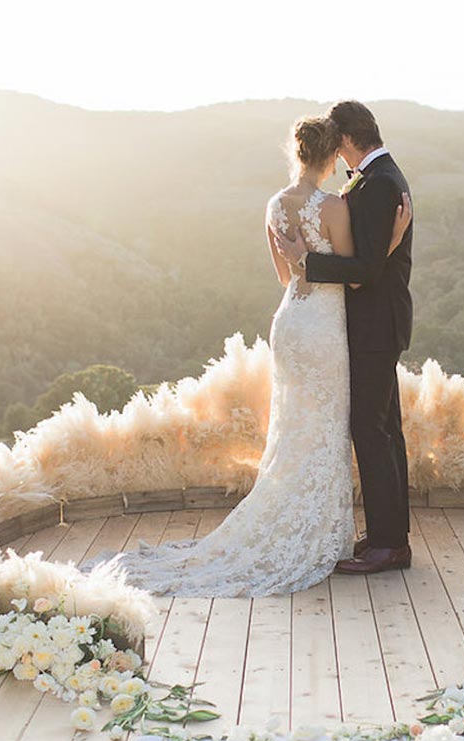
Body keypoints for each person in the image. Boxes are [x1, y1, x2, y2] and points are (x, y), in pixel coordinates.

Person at [81, 113, 411, 596]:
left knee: (299, 427)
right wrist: (392, 243)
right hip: (324, 329)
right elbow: (359, 274)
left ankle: (340, 531)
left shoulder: (275, 206)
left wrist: (306, 259)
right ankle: (334, 531)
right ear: (329, 151)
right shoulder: (336, 207)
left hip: (291, 322)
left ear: (297, 151)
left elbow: (286, 277)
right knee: (334, 428)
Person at [273, 100, 414, 575]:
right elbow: (374, 258)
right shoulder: (376, 178)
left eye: (338, 143)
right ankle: (389, 536)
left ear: (349, 141)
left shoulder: (378, 184)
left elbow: (367, 270)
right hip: (373, 323)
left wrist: (306, 261)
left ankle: (389, 545)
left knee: (370, 429)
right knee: (384, 428)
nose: (336, 152)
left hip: (374, 325)